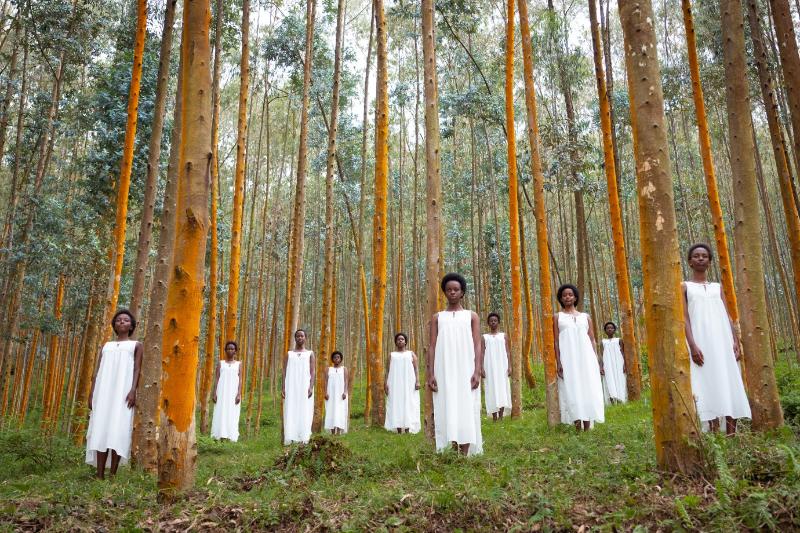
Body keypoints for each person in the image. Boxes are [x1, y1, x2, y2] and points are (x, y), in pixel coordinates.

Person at [683, 243, 751, 434]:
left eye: (704, 256)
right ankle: (713, 433)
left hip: (722, 342)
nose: (700, 258)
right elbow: (684, 318)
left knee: (728, 379)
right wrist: (693, 345)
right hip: (700, 342)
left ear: (710, 261)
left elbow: (727, 315)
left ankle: (731, 433)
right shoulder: (684, 287)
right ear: (689, 261)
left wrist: (736, 341)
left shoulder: (717, 287)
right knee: (705, 382)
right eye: (696, 256)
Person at [428, 273, 483, 456]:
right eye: (449, 290)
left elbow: (477, 344)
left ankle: (465, 452)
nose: (452, 292)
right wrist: (431, 374)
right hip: (444, 369)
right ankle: (451, 451)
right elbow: (432, 345)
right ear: (444, 292)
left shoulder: (471, 316)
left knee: (466, 406)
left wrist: (477, 370)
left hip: (466, 368)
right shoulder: (438, 317)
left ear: (462, 293)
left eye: (456, 290)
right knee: (447, 404)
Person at [85, 309, 143, 479]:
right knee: (101, 429)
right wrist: (92, 394)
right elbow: (97, 371)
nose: (122, 322)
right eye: (118, 320)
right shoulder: (106, 346)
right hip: (103, 393)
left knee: (118, 429)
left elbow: (137, 369)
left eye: (126, 320)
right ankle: (100, 474)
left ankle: (112, 474)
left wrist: (133, 390)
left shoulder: (136, 345)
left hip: (123, 392)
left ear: (131, 325)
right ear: (114, 325)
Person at [554, 284, 605, 432]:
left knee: (588, 388)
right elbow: (556, 341)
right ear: (561, 299)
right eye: (564, 295)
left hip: (586, 358)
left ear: (575, 297)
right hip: (568, 359)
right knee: (572, 389)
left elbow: (592, 339)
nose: (567, 297)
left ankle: (588, 426)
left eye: (570, 294)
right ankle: (577, 426)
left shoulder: (585, 317)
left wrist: (596, 359)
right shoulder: (557, 317)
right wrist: (559, 362)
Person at [282, 329, 315, 444]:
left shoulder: (310, 353)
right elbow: (284, 371)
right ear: (295, 338)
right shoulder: (289, 354)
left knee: (305, 410)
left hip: (305, 387)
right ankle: (291, 436)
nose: (300, 338)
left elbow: (312, 371)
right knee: (291, 409)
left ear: (305, 338)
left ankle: (303, 437)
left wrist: (311, 387)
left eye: (302, 336)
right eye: (297, 336)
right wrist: (283, 388)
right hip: (291, 386)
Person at [384, 332, 421, 434]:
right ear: (395, 342)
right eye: (398, 339)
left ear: (405, 342)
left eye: (402, 339)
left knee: (409, 402)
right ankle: (399, 428)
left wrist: (417, 381)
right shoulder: (391, 355)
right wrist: (385, 383)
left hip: (409, 383)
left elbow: (416, 368)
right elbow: (387, 370)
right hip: (395, 383)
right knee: (397, 403)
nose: (400, 341)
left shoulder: (411, 354)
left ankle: (408, 428)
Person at [482, 313, 512, 421]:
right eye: (491, 321)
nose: (493, 322)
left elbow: (508, 352)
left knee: (502, 388)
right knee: (491, 389)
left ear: (498, 322)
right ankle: (494, 417)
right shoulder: (484, 337)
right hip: (489, 366)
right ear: (488, 323)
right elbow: (481, 353)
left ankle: (501, 416)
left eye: (495, 321)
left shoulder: (503, 336)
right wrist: (481, 368)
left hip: (502, 366)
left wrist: (509, 366)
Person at [210, 341, 242, 441]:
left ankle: (230, 436)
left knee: (232, 413)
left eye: (232, 349)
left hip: (233, 393)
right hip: (222, 392)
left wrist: (239, 394)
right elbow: (217, 378)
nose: (230, 350)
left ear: (235, 351)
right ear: (225, 350)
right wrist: (214, 393)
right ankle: (219, 435)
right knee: (221, 411)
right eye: (228, 348)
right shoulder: (221, 363)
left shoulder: (238, 364)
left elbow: (240, 379)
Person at [601, 322, 627, 404]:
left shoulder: (619, 340)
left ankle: (620, 398)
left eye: (611, 328)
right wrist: (601, 367)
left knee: (619, 378)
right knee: (609, 379)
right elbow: (601, 355)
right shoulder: (603, 342)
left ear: (614, 330)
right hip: (607, 363)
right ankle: (612, 397)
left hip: (618, 362)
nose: (609, 329)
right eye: (608, 328)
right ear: (605, 330)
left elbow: (623, 352)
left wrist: (624, 364)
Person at [324, 351, 349, 435]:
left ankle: (338, 431)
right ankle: (332, 432)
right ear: (332, 359)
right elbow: (326, 381)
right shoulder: (328, 369)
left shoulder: (344, 369)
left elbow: (346, 381)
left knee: (339, 411)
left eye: (338, 357)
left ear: (341, 359)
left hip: (341, 395)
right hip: (330, 394)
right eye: (335, 357)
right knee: (331, 410)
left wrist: (345, 392)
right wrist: (325, 392)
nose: (336, 359)